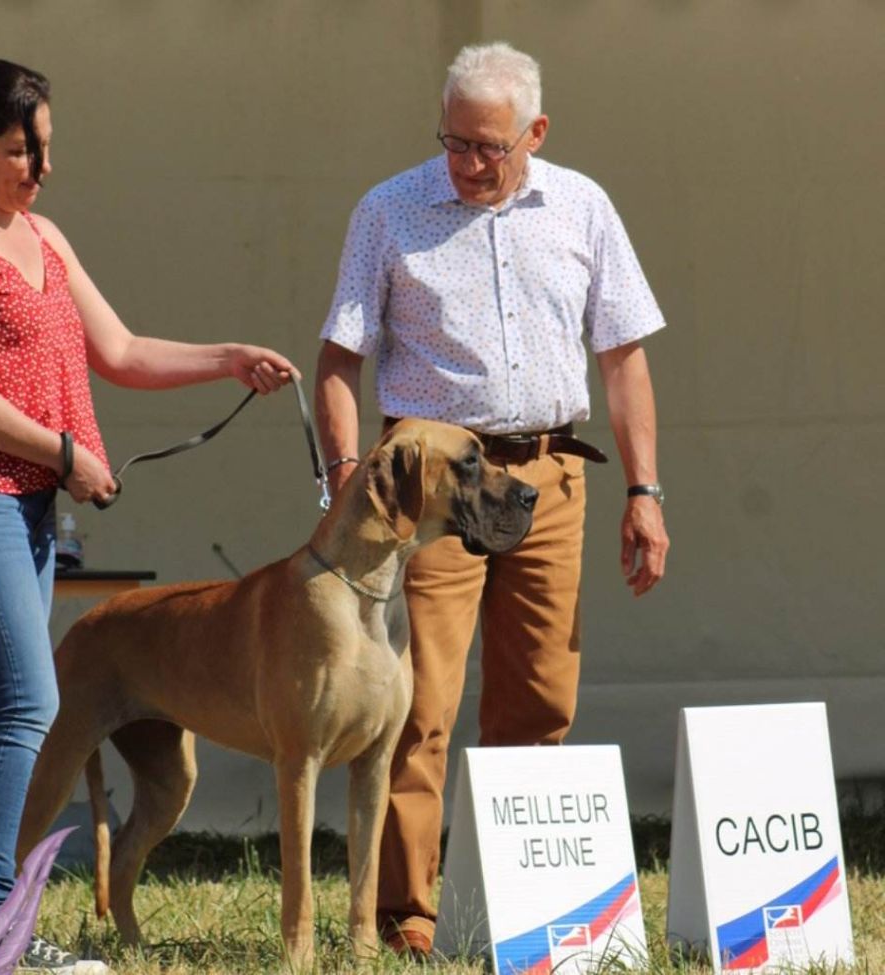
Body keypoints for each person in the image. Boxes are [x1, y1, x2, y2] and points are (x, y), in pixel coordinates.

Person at [0, 59, 296, 973]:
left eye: (46, 144)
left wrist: (226, 356)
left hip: (24, 503)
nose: (41, 165)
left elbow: (118, 349)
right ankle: (1, 933)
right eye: (19, 149)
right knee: (30, 705)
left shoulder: (45, 236)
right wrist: (67, 454)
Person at [315, 42, 670, 957]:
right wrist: (348, 475)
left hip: (549, 477)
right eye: (454, 142)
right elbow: (339, 358)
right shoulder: (389, 210)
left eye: (490, 147)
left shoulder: (584, 206)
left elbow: (624, 357)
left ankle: (517, 893)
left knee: (540, 697)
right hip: (431, 491)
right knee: (418, 702)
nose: (468, 164)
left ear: (535, 133)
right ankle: (409, 911)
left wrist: (645, 489)